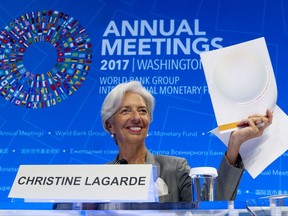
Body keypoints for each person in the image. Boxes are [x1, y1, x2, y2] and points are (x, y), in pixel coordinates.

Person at [101, 80, 273, 202]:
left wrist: (235, 142)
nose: (137, 118)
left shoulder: (174, 168)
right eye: (125, 111)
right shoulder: (100, 177)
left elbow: (209, 208)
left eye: (143, 111)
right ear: (110, 125)